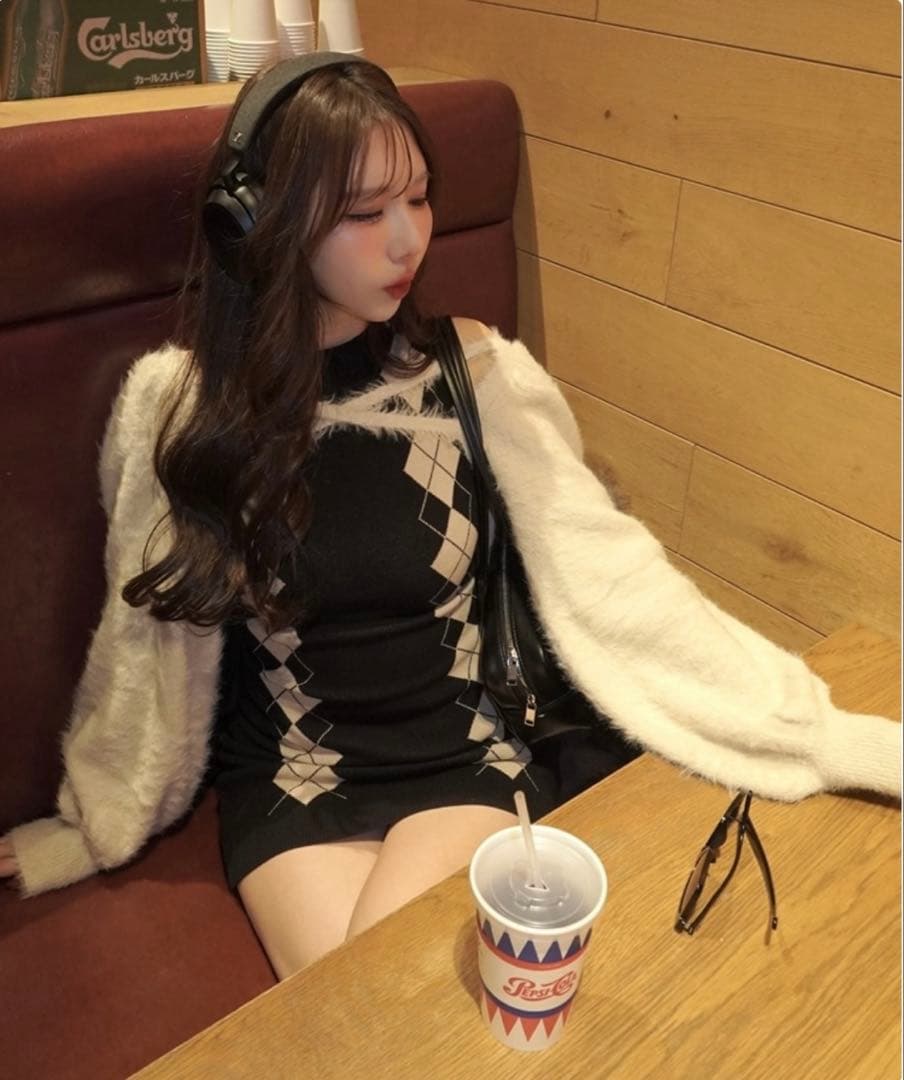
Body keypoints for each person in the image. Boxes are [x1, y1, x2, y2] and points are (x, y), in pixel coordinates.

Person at [1, 55, 900, 980]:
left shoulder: (481, 377)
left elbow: (617, 578)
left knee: (386, 988)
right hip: (287, 777)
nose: (408, 242)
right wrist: (91, 826)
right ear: (261, 219)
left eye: (420, 198)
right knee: (347, 1016)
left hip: (459, 757)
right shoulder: (180, 408)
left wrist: (819, 734)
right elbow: (141, 649)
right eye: (364, 213)